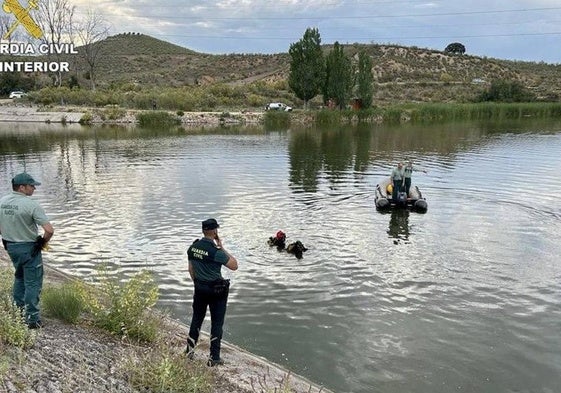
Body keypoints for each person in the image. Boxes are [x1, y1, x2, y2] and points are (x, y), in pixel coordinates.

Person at [0, 173, 54, 329]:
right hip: (29, 248)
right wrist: (42, 243)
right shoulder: (31, 205)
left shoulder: (2, 202)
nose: (34, 188)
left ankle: (18, 311)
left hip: (11, 247)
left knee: (19, 276)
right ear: (22, 187)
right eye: (31, 185)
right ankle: (32, 319)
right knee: (33, 283)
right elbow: (49, 230)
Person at [186, 218, 238, 366]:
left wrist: (198, 283)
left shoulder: (193, 248)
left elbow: (191, 269)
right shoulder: (216, 252)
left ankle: (189, 351)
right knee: (217, 323)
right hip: (216, 291)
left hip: (200, 288)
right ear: (215, 231)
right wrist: (221, 247)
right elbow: (234, 265)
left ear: (203, 230)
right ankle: (214, 358)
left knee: (196, 319)